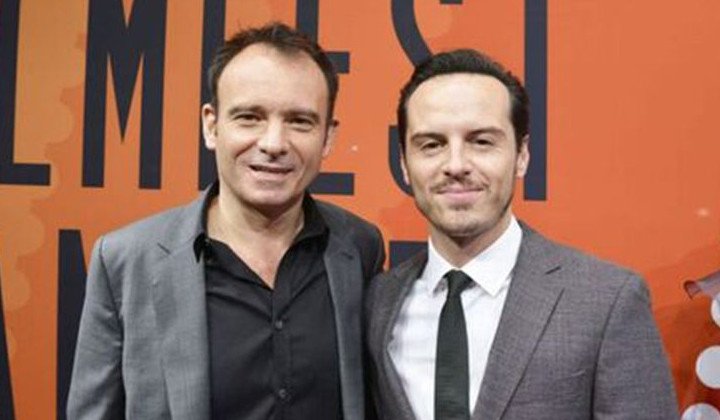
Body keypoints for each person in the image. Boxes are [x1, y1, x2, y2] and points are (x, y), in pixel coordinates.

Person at [68, 22, 384, 420]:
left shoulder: (359, 247)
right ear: (211, 125)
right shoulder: (127, 261)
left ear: (328, 138)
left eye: (300, 121)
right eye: (249, 117)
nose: (273, 143)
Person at [365, 49, 677, 420]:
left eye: (482, 141)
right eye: (432, 144)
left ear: (522, 155)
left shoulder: (607, 300)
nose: (456, 165)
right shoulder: (376, 303)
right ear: (404, 163)